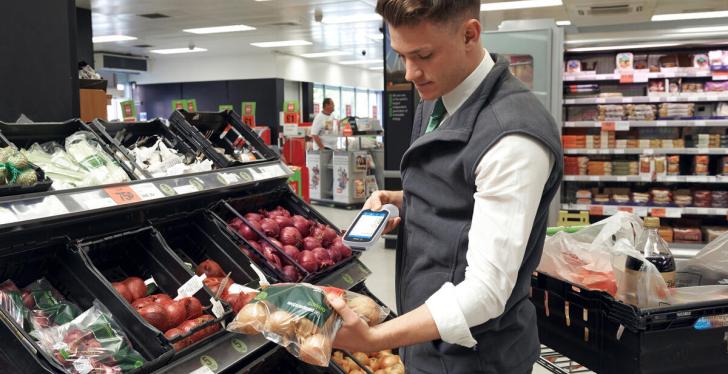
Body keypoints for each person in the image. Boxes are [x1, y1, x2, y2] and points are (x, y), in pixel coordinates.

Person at [326, 1, 564, 373]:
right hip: (429, 344)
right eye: (400, 54)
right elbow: (463, 194)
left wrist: (375, 338)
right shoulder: (441, 93)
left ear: (470, 34)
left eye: (423, 55)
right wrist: (406, 201)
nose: (410, 72)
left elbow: (485, 293)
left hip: (476, 359)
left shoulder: (513, 139)